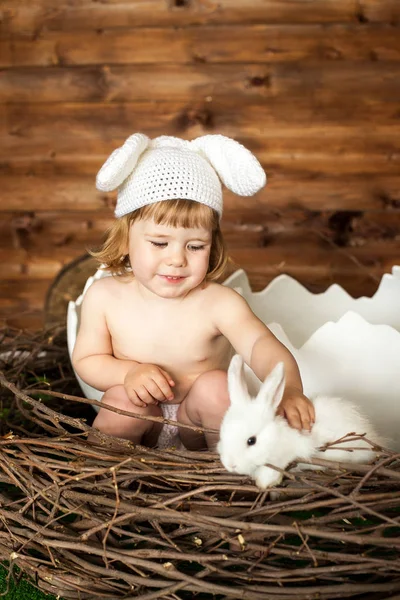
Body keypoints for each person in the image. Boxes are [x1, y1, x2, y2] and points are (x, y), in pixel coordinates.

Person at [72, 133, 315, 451]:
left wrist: (289, 390)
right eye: (159, 243)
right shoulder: (105, 296)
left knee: (217, 387)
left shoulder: (218, 302)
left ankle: (224, 475)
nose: (176, 259)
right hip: (142, 421)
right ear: (125, 239)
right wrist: (129, 372)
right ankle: (103, 479)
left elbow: (260, 345)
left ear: (213, 246)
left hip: (196, 427)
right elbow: (88, 359)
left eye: (196, 246)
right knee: (121, 400)